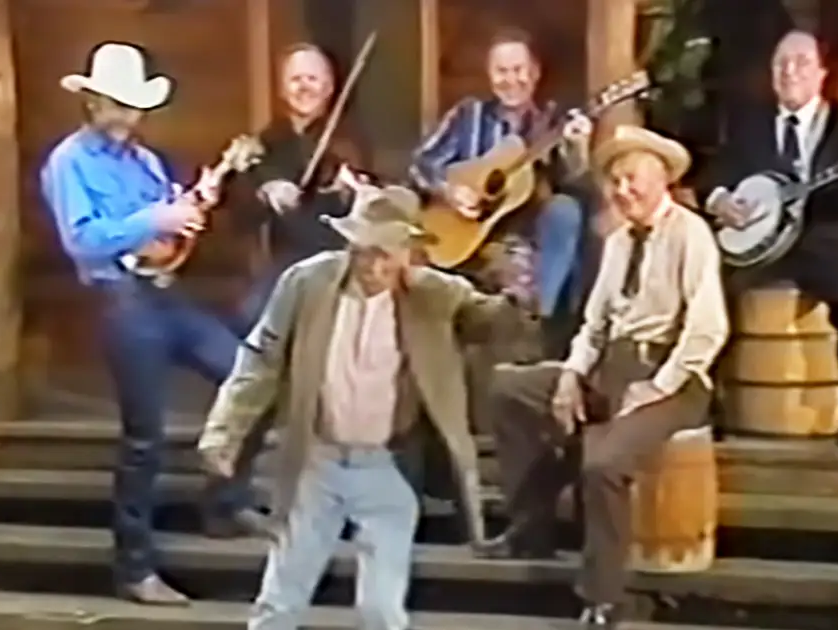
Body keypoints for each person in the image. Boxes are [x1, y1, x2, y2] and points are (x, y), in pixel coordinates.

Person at [199, 184, 529, 630]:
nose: (374, 267)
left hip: (389, 467)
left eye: (386, 254)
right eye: (364, 252)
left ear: (409, 251)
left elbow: (493, 323)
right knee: (279, 601)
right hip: (316, 461)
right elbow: (260, 360)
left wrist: (517, 294)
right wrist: (224, 432)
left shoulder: (436, 294)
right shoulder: (307, 283)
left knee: (381, 611)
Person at [39, 42, 266, 605]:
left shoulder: (146, 162)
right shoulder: (68, 162)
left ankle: (225, 503)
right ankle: (134, 567)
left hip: (164, 292)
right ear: (92, 102)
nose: (126, 116)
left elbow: (169, 233)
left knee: (249, 376)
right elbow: (82, 239)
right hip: (117, 299)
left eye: (133, 106)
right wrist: (153, 219)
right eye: (116, 105)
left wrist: (190, 212)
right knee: (145, 438)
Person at [481, 126, 729, 628]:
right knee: (509, 389)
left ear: (662, 179)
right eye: (615, 181)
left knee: (603, 463)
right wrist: (571, 375)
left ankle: (603, 595)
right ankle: (531, 529)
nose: (622, 190)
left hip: (669, 374)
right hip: (609, 366)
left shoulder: (690, 233)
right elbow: (594, 325)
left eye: (632, 178)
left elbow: (708, 328)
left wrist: (657, 386)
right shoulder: (617, 243)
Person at [702, 30, 838, 455]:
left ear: (822, 73)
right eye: (781, 63)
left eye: (801, 62)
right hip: (763, 244)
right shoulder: (748, 123)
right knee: (715, 290)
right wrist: (721, 201)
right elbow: (713, 175)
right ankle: (709, 400)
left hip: (825, 237)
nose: (790, 71)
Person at [409, 27, 592, 325]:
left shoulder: (549, 124)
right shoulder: (468, 115)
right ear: (489, 75)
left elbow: (571, 176)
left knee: (565, 209)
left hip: (519, 232)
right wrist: (449, 191)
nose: (510, 80)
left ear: (535, 72)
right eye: (501, 71)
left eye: (518, 70)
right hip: (462, 229)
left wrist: (577, 145)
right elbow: (422, 163)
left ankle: (537, 320)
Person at [231, 43, 371, 333]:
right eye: (296, 79)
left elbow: (375, 198)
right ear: (282, 90)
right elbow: (241, 215)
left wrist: (353, 190)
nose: (304, 87)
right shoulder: (267, 141)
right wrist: (265, 190)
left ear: (329, 88)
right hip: (286, 260)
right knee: (249, 317)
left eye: (312, 79)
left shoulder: (349, 139)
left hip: (338, 256)